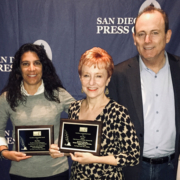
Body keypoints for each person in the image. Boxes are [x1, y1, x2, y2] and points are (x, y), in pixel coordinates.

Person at [108, 5, 180, 180]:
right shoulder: (118, 74)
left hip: (173, 168)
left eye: (154, 33)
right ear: (134, 38)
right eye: (141, 34)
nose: (147, 40)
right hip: (133, 170)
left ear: (167, 36)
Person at [49, 47, 140, 179]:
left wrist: (95, 159)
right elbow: (76, 146)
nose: (91, 82)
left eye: (98, 76)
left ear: (108, 79)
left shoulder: (117, 112)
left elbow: (133, 156)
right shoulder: (74, 108)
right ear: (80, 77)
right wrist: (61, 151)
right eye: (86, 75)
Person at [0, 43, 75, 180]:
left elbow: (83, 121)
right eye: (25, 64)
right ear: (19, 68)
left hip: (56, 171)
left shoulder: (58, 94)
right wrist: (5, 152)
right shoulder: (7, 98)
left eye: (37, 63)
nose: (32, 69)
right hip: (20, 173)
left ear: (43, 67)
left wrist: (66, 148)